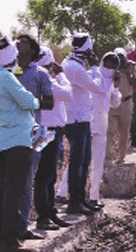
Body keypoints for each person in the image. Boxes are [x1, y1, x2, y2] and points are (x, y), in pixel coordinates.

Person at [0, 37, 41, 252]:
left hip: (2, 140)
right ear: (10, 56)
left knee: (2, 192)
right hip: (17, 140)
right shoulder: (6, 78)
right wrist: (34, 100)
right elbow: (27, 101)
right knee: (13, 192)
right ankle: (9, 240)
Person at [62, 33, 113, 215]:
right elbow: (98, 87)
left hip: (78, 117)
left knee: (82, 161)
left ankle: (80, 199)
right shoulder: (76, 68)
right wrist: (95, 68)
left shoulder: (69, 63)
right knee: (79, 162)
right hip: (78, 119)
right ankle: (75, 201)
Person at [13, 34, 53, 240]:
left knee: (27, 181)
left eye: (23, 41)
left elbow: (50, 103)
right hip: (11, 132)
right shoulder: (6, 70)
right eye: (16, 41)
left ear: (32, 49)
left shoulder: (41, 73)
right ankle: (10, 228)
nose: (18, 43)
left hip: (34, 132)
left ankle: (22, 226)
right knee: (10, 181)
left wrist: (27, 102)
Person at [34, 47, 72, 229]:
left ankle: (50, 211)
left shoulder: (38, 78)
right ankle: (44, 216)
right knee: (45, 174)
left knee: (49, 174)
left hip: (49, 130)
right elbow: (68, 94)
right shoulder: (48, 81)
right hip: (48, 131)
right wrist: (61, 74)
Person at [89, 52, 120, 207]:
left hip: (101, 123)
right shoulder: (92, 75)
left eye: (113, 67)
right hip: (87, 122)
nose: (109, 68)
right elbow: (98, 89)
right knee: (79, 159)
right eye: (107, 65)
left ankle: (93, 196)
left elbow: (115, 103)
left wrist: (116, 87)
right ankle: (63, 192)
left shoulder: (111, 83)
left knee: (98, 162)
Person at [105, 48, 136, 164]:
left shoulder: (130, 67)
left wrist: (128, 71)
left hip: (126, 102)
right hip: (112, 103)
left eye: (121, 57)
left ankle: (121, 157)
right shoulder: (110, 68)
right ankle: (108, 158)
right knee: (110, 131)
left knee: (124, 132)